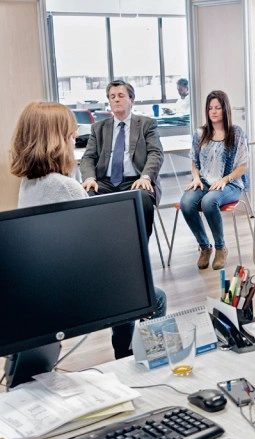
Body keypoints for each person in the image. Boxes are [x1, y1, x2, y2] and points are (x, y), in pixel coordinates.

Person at [10, 101, 166, 360]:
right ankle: (131, 359)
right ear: (58, 141)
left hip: (41, 287)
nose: (75, 143)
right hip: (71, 293)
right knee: (152, 296)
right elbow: (94, 256)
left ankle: (123, 353)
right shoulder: (66, 187)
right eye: (72, 137)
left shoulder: (29, 182)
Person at [80, 79, 164, 239]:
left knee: (143, 196)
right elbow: (88, 157)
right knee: (85, 194)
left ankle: (140, 249)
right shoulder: (98, 128)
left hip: (136, 180)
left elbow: (156, 153)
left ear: (131, 100)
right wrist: (90, 177)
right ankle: (99, 245)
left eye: (121, 95)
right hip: (105, 182)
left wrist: (146, 176)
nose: (116, 99)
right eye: (112, 96)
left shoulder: (147, 124)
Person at [180, 90, 250, 271]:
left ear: (225, 109)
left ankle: (220, 247)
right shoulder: (200, 133)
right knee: (186, 203)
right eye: (210, 108)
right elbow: (194, 161)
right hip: (204, 181)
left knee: (209, 202)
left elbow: (243, 166)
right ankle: (204, 247)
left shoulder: (236, 132)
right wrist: (196, 178)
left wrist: (225, 180)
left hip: (231, 184)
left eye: (218, 107)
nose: (213, 111)